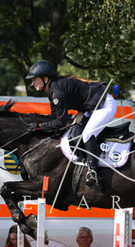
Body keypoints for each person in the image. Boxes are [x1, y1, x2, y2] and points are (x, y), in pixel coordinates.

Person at [25, 60, 117, 188]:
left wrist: (40, 127)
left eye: (34, 79)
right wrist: (38, 125)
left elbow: (60, 122)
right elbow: (54, 117)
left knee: (87, 134)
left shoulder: (57, 92)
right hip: (92, 107)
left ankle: (94, 173)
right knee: (75, 133)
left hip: (104, 105)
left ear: (45, 79)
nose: (32, 83)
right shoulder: (52, 90)